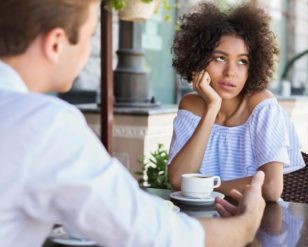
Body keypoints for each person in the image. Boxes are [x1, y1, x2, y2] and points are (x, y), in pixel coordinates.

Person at [0, 0, 266, 246]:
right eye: (90, 35)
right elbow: (151, 234)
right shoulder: (43, 124)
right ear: (56, 43)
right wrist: (246, 224)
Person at [168, 2, 305, 201]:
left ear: (253, 66)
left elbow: (271, 187)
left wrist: (209, 186)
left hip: (258, 221)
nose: (231, 72)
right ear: (198, 61)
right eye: (220, 58)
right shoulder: (191, 106)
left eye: (242, 61)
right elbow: (178, 180)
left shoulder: (262, 106)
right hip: (203, 220)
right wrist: (212, 108)